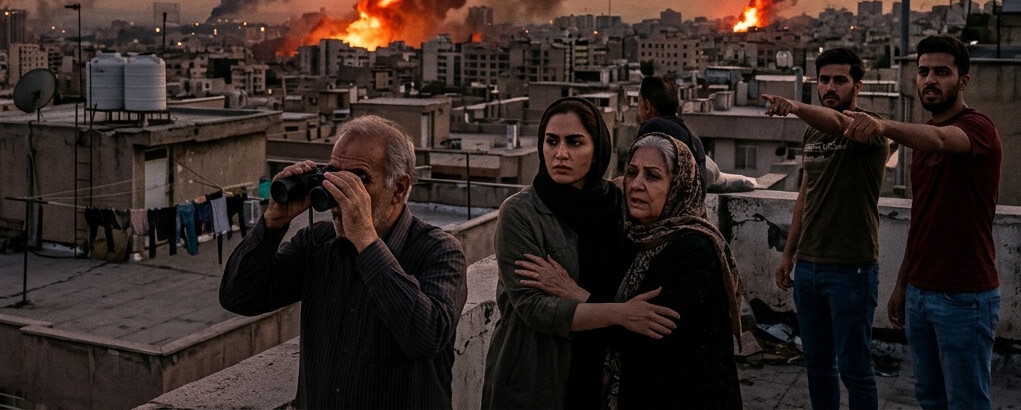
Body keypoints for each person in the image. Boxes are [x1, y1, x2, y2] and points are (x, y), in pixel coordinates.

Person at [219, 115, 467, 409]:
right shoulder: (318, 244)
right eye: (334, 176)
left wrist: (366, 242)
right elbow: (239, 297)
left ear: (399, 189)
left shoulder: (439, 251)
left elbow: (426, 337)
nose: (339, 196)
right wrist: (272, 224)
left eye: (357, 181)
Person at [481, 97, 680, 410]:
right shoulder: (520, 213)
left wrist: (573, 293)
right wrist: (620, 314)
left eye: (575, 142)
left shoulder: (617, 204)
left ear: (597, 146)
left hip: (601, 372)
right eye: (551, 141)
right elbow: (535, 308)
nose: (560, 154)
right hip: (536, 376)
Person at [842, 35, 1002, 410]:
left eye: (942, 72)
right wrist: (903, 286)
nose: (930, 80)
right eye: (924, 71)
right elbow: (923, 218)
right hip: (921, 293)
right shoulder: (921, 146)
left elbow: (943, 139)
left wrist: (881, 126)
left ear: (963, 80)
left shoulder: (978, 128)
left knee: (966, 401)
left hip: (964, 297)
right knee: (930, 398)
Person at [764, 47, 888, 410]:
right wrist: (789, 254)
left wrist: (797, 107)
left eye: (840, 80)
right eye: (824, 80)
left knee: (855, 369)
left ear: (858, 86)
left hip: (852, 269)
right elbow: (806, 193)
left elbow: (840, 124)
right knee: (818, 365)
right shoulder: (812, 136)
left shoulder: (869, 127)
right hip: (809, 268)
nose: (830, 87)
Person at [605, 133, 743, 409]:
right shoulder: (634, 236)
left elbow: (648, 335)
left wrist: (575, 300)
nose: (636, 184)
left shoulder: (693, 248)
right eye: (632, 173)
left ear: (679, 185)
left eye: (652, 176)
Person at [637, 75, 715, 190]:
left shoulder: (653, 127)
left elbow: (643, 177)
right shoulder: (690, 134)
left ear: (647, 106)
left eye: (639, 103)